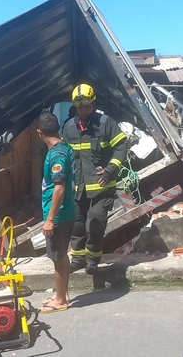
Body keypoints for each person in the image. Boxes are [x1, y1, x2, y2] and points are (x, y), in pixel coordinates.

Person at [63, 83, 128, 275]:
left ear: (93, 103)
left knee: (95, 222)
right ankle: (77, 259)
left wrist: (110, 170)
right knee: (77, 223)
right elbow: (64, 154)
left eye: (87, 106)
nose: (83, 110)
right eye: (80, 107)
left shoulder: (106, 123)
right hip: (78, 187)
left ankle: (92, 260)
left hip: (102, 185)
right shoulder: (68, 128)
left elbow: (122, 146)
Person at [36, 112, 75, 314]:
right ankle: (63, 293)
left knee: (58, 257)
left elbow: (59, 188)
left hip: (59, 214)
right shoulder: (63, 147)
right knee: (59, 256)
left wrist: (50, 219)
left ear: (39, 132)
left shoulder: (57, 155)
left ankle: (60, 300)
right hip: (64, 211)